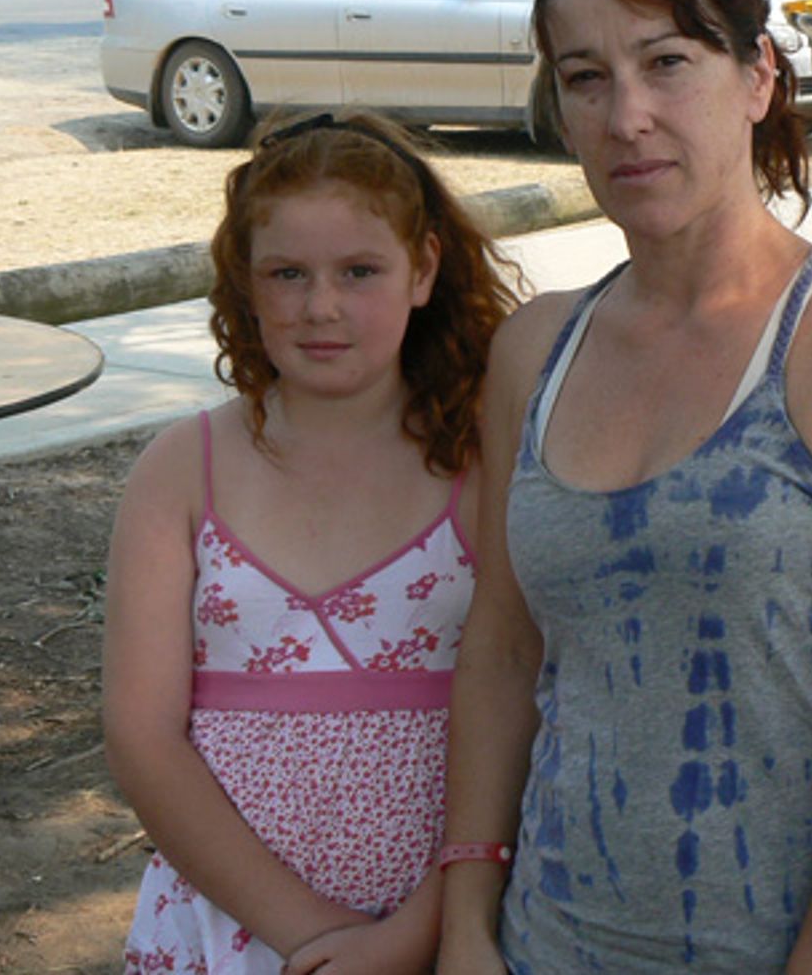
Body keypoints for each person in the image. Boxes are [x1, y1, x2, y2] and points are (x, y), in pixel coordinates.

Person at [436, 0, 812, 974]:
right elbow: (502, 649)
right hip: (546, 943)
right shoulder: (534, 352)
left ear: (757, 77)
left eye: (667, 62)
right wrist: (466, 919)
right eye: (584, 77)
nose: (625, 115)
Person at [103, 111, 518, 974]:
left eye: (359, 271)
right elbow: (143, 736)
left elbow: (531, 702)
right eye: (287, 273)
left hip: (445, 929)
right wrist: (314, 938)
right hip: (228, 927)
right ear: (245, 283)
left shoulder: (492, 468)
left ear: (423, 269)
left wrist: (411, 936)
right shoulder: (180, 472)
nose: (321, 306)